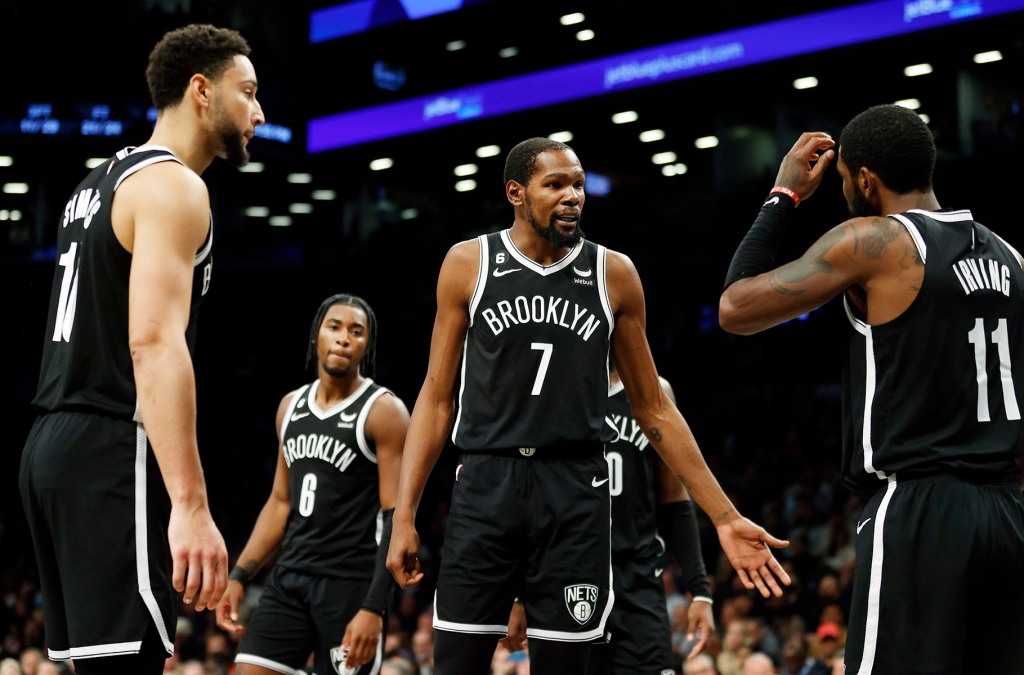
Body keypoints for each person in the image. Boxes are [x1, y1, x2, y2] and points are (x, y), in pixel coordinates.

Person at [386, 136, 791, 674]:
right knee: (456, 664)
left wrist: (724, 516)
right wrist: (405, 514)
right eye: (555, 185)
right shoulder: (468, 263)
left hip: (574, 491)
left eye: (577, 184)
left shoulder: (614, 273)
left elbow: (655, 409)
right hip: (487, 484)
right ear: (516, 193)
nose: (573, 195)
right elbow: (436, 398)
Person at [719, 103, 1024, 674]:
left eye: (842, 182)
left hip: (921, 507)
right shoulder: (1012, 258)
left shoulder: (876, 242)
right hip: (1008, 511)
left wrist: (783, 196)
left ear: (865, 180)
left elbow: (736, 308)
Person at [17, 23, 264, 675]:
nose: (259, 113)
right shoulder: (175, 187)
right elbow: (152, 343)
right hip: (108, 445)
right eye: (248, 92)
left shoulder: (94, 184)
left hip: (51, 443)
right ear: (201, 90)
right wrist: (191, 504)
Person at [215, 294, 411, 675]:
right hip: (290, 578)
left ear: (366, 346)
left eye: (356, 332)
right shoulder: (290, 407)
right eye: (334, 327)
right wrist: (239, 575)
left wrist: (374, 607)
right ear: (315, 337)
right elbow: (279, 503)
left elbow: (396, 516)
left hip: (350, 586)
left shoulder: (384, 411)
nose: (343, 338)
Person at [504, 362, 716, 674]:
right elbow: (527, 501)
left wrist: (700, 590)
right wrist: (516, 594)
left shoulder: (654, 391)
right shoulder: (550, 392)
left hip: (638, 580)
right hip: (565, 579)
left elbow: (674, 499)